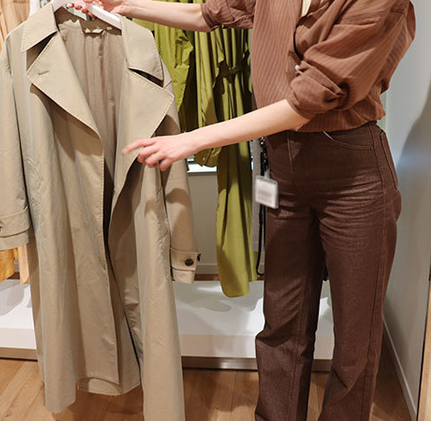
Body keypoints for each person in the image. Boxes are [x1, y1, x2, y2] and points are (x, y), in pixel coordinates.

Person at [66, 0, 415, 419]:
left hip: (353, 176)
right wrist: (124, 5)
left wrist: (192, 140)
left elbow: (307, 101)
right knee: (282, 321)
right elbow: (207, 15)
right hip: (284, 168)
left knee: (356, 338)